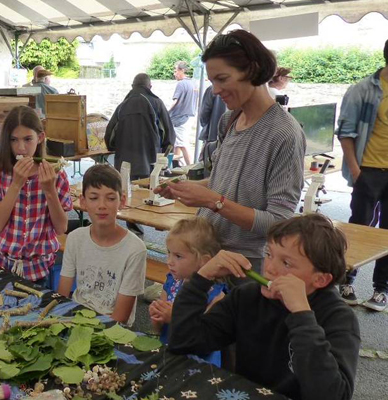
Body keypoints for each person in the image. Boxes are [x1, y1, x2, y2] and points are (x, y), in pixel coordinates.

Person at [155, 30, 305, 275]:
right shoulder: (230, 119)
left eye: (222, 79)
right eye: (213, 81)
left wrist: (211, 201)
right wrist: (184, 188)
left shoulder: (284, 133)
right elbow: (224, 182)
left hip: (243, 266)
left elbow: (278, 222)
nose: (215, 90)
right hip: (206, 253)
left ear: (253, 71)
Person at [168, 213, 360, 400]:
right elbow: (183, 341)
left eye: (286, 263)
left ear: (320, 279)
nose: (269, 268)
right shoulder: (247, 297)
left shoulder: (339, 318)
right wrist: (202, 278)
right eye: (269, 254)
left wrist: (302, 314)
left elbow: (332, 395)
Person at [0, 106, 73, 285]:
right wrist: (16, 184)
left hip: (38, 269)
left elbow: (61, 227)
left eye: (27, 139)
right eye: (14, 140)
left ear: (40, 138)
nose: (21, 148)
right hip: (1, 263)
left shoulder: (56, 175)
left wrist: (49, 190)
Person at [337, 37, 388, 311]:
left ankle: (381, 289)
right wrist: (356, 171)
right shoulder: (363, 90)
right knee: (359, 226)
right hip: (368, 170)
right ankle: (346, 280)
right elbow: (346, 132)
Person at [57, 164, 146, 325]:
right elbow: (63, 295)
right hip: (76, 317)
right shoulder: (75, 238)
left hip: (112, 327)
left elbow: (120, 317)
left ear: (122, 201)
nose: (102, 205)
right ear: (83, 202)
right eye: (93, 198)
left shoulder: (135, 249)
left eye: (111, 198)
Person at [149, 217, 225, 365]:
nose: (169, 261)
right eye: (169, 252)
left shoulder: (216, 297)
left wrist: (175, 318)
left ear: (204, 261)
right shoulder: (172, 282)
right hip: (169, 354)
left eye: (178, 256)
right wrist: (157, 317)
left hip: (198, 364)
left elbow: (204, 343)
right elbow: (159, 331)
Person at [104, 73, 175, 178]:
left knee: (126, 193)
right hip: (151, 165)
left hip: (124, 167)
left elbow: (109, 138)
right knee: (150, 193)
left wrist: (117, 147)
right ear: (150, 87)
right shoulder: (157, 104)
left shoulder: (122, 106)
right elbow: (169, 136)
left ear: (132, 86)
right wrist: (164, 158)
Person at [168, 61, 197, 166]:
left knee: (183, 144)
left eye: (176, 71)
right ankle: (176, 167)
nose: (174, 74)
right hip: (189, 117)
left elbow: (175, 101)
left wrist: (166, 112)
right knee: (177, 144)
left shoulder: (181, 84)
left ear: (182, 71)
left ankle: (190, 168)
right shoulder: (193, 83)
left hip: (180, 118)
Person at [197, 85, 228, 173]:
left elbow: (204, 114)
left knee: (207, 169)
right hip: (224, 138)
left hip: (212, 135)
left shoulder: (212, 89)